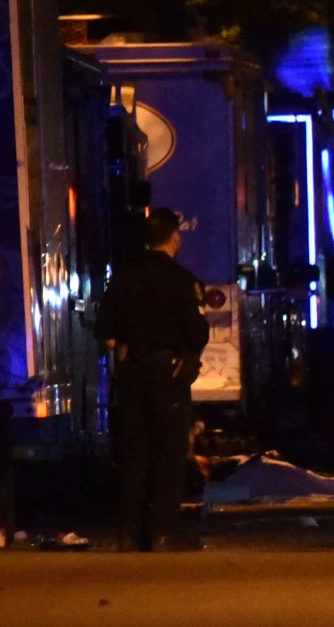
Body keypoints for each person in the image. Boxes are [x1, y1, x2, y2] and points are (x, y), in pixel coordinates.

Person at [95, 208, 209, 552]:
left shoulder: (123, 279)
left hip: (131, 374)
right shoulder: (182, 281)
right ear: (174, 238)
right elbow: (197, 332)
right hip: (167, 374)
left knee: (135, 452)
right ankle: (162, 532)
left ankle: (128, 532)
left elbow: (104, 330)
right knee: (169, 452)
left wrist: (124, 346)